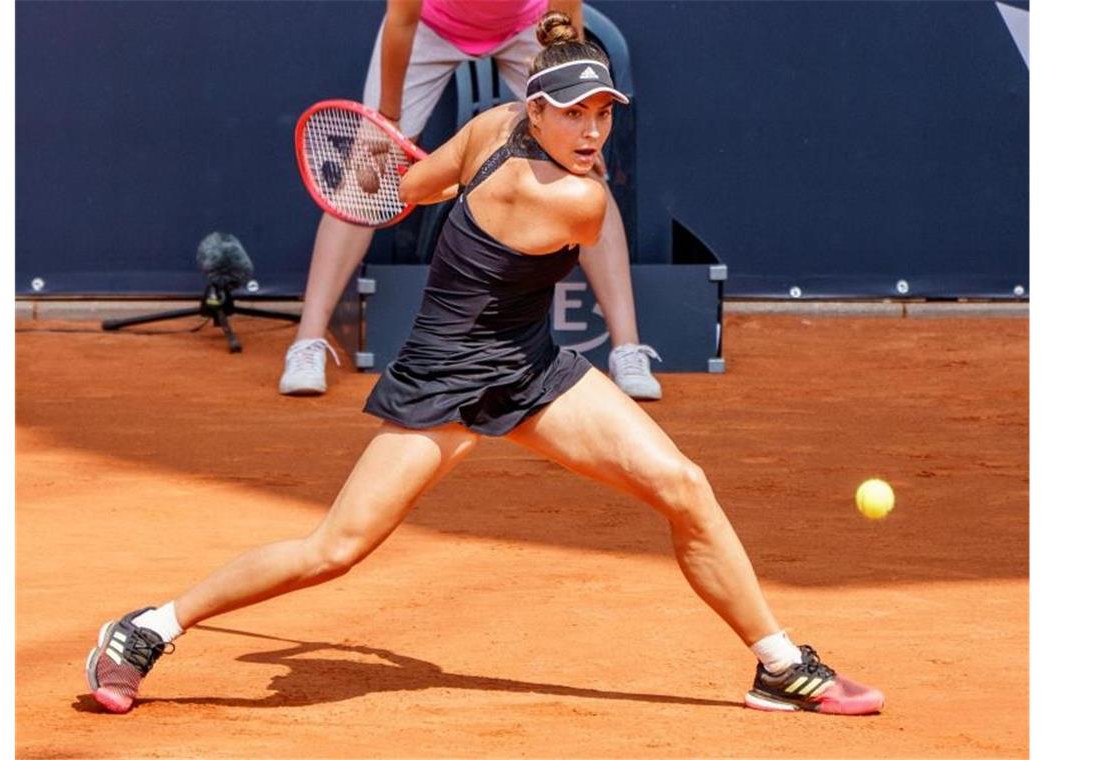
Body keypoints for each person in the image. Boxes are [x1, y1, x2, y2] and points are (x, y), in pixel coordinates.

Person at [86, 14, 884, 717]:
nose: (592, 132)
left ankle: (780, 665)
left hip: (532, 368)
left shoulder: (492, 129)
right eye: (573, 113)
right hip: (446, 379)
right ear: (533, 109)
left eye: (603, 113)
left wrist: (381, 179)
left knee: (683, 485)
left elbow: (407, 190)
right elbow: (438, 192)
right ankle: (148, 626)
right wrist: (408, 183)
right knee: (335, 549)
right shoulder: (580, 201)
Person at [279, 0, 663, 401]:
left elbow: (568, 21)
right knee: (364, 175)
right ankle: (307, 341)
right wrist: (387, 123)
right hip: (429, 29)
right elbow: (402, 21)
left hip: (526, 29)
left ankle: (626, 349)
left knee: (586, 176)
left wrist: (580, 122)